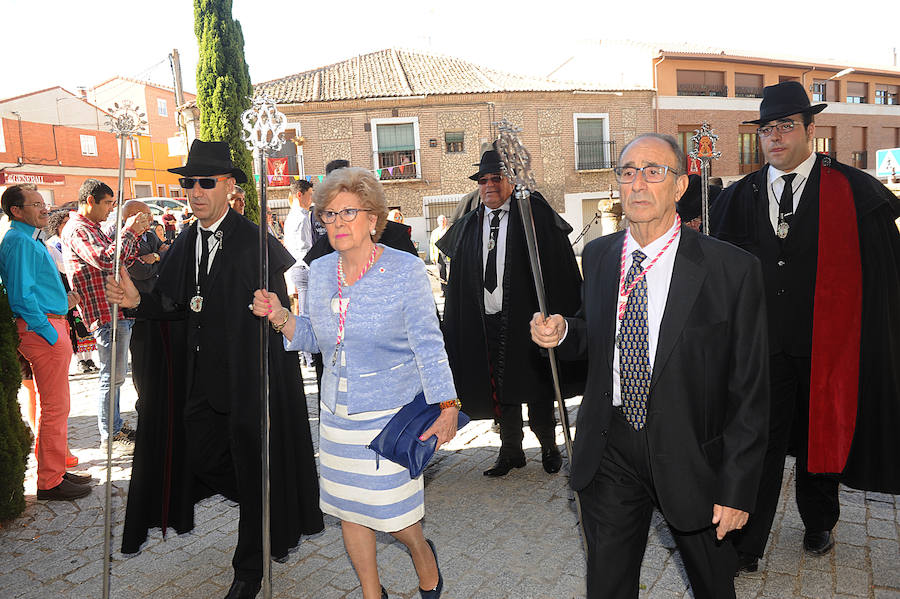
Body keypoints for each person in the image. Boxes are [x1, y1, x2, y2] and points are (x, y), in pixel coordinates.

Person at [531, 133, 770, 599]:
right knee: (609, 583)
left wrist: (738, 488)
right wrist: (563, 333)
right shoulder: (600, 256)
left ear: (680, 185)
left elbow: (751, 389)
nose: (638, 183)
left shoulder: (731, 270)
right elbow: (602, 337)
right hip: (612, 444)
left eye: (653, 171)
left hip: (693, 451)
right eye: (627, 172)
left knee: (713, 584)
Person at [106, 140, 323, 599]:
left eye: (206, 182)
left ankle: (249, 569)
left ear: (228, 186)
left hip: (248, 383)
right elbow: (173, 305)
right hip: (199, 383)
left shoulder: (255, 243)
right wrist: (138, 302)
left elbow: (276, 313)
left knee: (252, 464)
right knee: (201, 455)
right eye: (188, 183)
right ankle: (270, 502)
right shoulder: (185, 240)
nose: (195, 191)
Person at [708, 81, 900, 571]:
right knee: (758, 443)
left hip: (827, 344)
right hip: (761, 349)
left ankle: (819, 522)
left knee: (822, 435)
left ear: (810, 131)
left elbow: (884, 277)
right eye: (767, 129)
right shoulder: (739, 197)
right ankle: (746, 543)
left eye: (786, 127)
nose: (775, 138)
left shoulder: (856, 193)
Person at [252, 166, 457, 599]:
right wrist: (281, 317)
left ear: (372, 217)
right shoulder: (321, 270)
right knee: (350, 512)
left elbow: (428, 343)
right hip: (336, 417)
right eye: (328, 214)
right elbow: (316, 338)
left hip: (389, 417)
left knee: (397, 519)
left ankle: (424, 557)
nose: (338, 222)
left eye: (349, 212)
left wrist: (448, 406)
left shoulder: (404, 270)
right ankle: (371, 593)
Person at [438, 149, 583, 477]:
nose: (489, 185)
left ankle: (548, 446)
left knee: (537, 382)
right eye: (483, 180)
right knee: (499, 387)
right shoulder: (471, 223)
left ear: (510, 181)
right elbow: (459, 277)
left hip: (527, 319)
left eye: (496, 178)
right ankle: (511, 450)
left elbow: (558, 265)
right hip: (487, 318)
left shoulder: (533, 214)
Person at [0, 184, 92, 500]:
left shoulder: (24, 239)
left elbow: (31, 290)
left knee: (52, 406)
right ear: (16, 210)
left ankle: (57, 470)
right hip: (43, 332)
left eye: (44, 203)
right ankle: (50, 481)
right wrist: (49, 331)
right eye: (37, 204)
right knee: (56, 407)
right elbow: (21, 296)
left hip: (48, 326)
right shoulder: (19, 242)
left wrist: (60, 302)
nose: (45, 209)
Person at [62, 179, 149, 450]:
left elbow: (123, 259)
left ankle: (114, 426)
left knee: (116, 376)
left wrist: (135, 237)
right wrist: (129, 232)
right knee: (111, 377)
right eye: (108, 203)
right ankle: (109, 433)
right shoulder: (78, 230)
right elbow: (106, 260)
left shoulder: (93, 228)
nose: (111, 210)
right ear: (90, 201)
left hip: (116, 309)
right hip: (105, 312)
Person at [283, 179, 314, 312]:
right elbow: (304, 247)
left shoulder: (292, 215)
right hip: (303, 266)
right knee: (305, 312)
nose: (312, 199)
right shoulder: (301, 217)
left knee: (301, 309)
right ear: (300, 195)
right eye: (310, 194)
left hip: (296, 267)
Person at [428, 214, 450, 295]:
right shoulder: (435, 232)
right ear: (438, 222)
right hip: (438, 255)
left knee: (450, 273)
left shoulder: (449, 230)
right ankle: (444, 291)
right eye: (441, 220)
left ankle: (451, 290)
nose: (443, 222)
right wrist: (432, 256)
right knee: (441, 273)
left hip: (448, 255)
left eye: (444, 220)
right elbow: (432, 244)